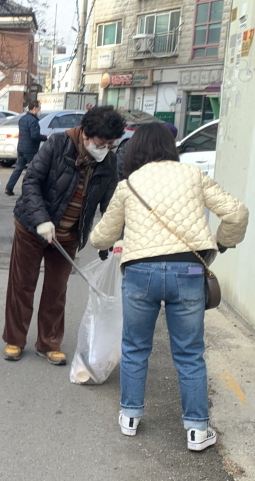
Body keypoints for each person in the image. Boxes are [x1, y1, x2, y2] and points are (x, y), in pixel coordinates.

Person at [90, 123, 248, 451]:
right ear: (170, 147)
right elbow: (236, 213)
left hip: (140, 273)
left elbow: (102, 236)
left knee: (135, 347)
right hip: (188, 271)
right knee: (190, 353)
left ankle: (130, 417)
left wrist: (101, 242)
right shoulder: (192, 175)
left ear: (134, 151)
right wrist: (221, 243)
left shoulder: (129, 185)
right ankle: (197, 431)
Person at [2, 106, 125, 365]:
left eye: (109, 145)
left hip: (69, 235)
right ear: (86, 135)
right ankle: (15, 339)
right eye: (101, 143)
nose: (104, 149)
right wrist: (41, 220)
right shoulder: (58, 144)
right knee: (22, 286)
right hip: (32, 228)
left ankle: (49, 343)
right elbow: (31, 180)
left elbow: (111, 204)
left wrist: (113, 239)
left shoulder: (109, 161)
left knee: (56, 290)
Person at [5, 100, 47, 196]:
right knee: (35, 170)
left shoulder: (23, 119)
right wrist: (45, 138)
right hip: (30, 149)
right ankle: (33, 189)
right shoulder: (33, 121)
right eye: (39, 109)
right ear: (35, 108)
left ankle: (9, 187)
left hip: (21, 147)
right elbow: (34, 136)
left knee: (18, 168)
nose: (39, 111)